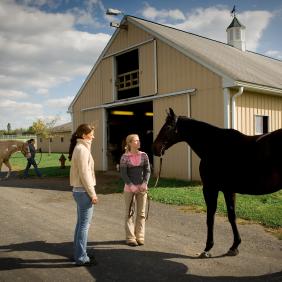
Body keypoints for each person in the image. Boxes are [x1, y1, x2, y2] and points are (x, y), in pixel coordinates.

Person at [68, 124, 98, 266]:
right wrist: (92, 194)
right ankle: (81, 257)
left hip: (79, 191)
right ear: (85, 135)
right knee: (84, 225)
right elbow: (85, 174)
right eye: (91, 134)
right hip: (83, 192)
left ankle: (79, 253)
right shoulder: (82, 150)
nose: (93, 136)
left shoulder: (81, 148)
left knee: (80, 224)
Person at [120, 134, 151, 246]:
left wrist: (144, 183)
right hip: (129, 190)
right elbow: (123, 174)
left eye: (139, 140)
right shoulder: (125, 157)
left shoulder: (144, 155)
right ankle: (130, 238)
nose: (138, 142)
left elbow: (147, 171)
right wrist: (132, 186)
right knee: (129, 213)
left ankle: (140, 237)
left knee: (141, 213)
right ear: (129, 143)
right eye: (136, 141)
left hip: (142, 189)